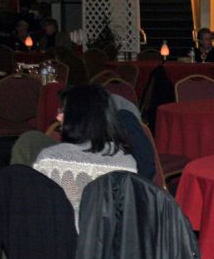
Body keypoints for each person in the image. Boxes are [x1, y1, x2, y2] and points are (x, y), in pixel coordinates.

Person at [33, 84, 137, 229]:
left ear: (79, 117)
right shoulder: (126, 161)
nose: (58, 117)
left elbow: (38, 212)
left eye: (64, 111)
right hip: (107, 241)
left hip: (61, 239)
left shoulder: (49, 159)